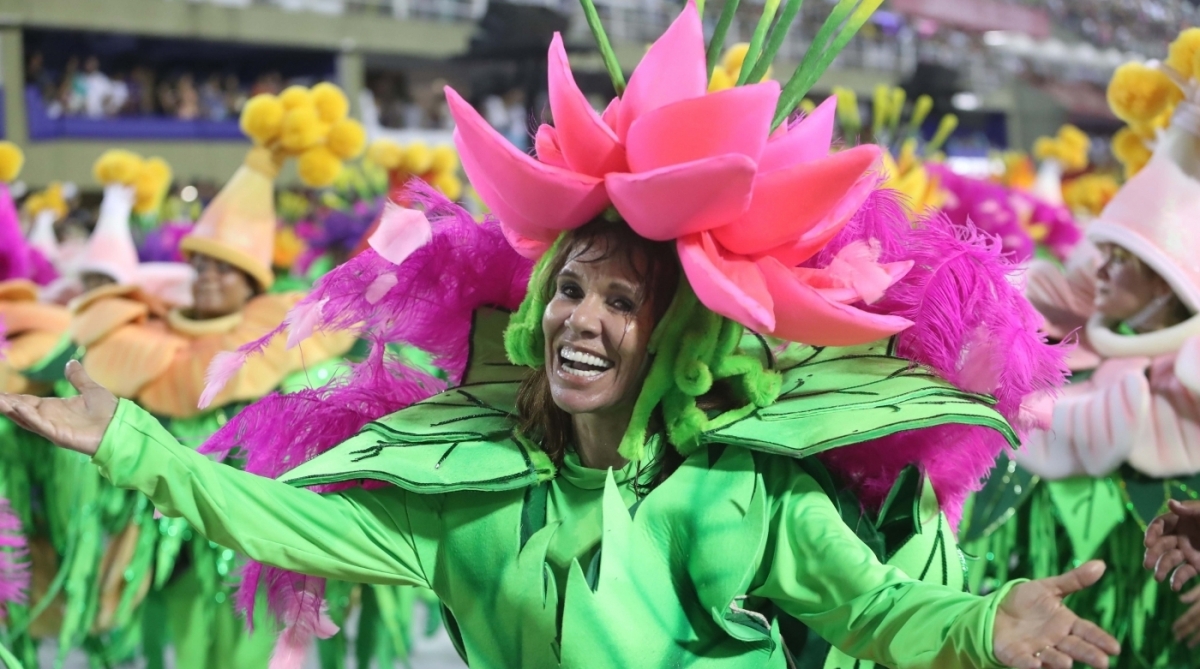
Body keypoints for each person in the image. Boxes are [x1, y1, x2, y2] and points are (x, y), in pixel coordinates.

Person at [3, 5, 1121, 668]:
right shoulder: (472, 495)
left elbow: (872, 607)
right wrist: (130, 440)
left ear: (676, 341)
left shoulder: (743, 492)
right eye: (571, 291)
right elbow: (285, 520)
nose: (583, 318)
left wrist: (984, 622)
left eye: (624, 304)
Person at [959, 35, 1200, 669]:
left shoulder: (1184, 383)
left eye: (1122, 261)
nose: (1099, 269)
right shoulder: (1065, 349)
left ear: (1167, 286)